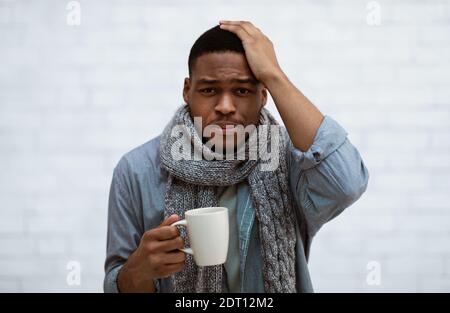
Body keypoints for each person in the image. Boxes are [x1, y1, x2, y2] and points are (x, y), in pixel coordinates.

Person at [104, 21, 369, 293]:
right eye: (209, 90)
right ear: (187, 90)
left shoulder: (290, 161)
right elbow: (116, 282)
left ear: (263, 95)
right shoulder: (136, 171)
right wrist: (138, 271)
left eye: (242, 90)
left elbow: (346, 183)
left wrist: (274, 74)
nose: (225, 107)